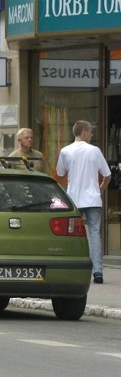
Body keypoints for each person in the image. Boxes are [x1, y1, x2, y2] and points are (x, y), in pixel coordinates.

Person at [56, 120, 112, 284]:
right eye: (90, 132)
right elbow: (107, 175)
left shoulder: (66, 151)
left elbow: (60, 173)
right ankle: (98, 272)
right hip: (93, 199)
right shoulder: (95, 151)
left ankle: (70, 269)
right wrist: (99, 190)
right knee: (94, 233)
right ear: (84, 132)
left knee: (70, 234)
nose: (92, 135)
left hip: (74, 199)